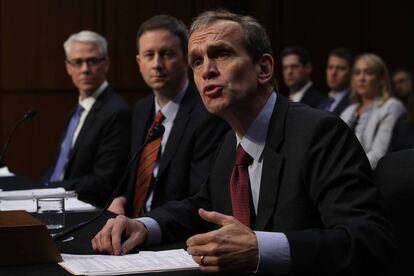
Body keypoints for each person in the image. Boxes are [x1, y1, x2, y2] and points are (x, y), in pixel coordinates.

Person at [92, 10, 395, 275]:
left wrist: (262, 248)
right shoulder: (230, 143)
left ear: (263, 68)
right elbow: (200, 206)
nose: (207, 70)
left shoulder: (319, 133)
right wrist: (144, 226)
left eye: (221, 54)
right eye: (196, 61)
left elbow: (369, 239)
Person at [107, 15, 229, 217]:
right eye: (149, 55)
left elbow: (199, 200)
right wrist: (121, 199)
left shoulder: (208, 114)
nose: (157, 64)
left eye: (166, 54)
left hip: (173, 234)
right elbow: (132, 177)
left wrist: (146, 224)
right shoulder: (140, 109)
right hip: (131, 223)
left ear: (186, 59)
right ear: (139, 62)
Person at [44, 30, 131, 207]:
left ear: (106, 64)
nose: (85, 69)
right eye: (77, 62)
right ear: (68, 67)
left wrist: (48, 188)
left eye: (92, 61)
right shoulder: (76, 112)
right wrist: (36, 188)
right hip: (57, 203)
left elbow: (104, 181)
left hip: (87, 209)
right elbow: (61, 168)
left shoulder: (117, 111)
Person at [340, 53, 405, 168]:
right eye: (357, 73)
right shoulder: (349, 110)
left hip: (369, 177)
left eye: (368, 73)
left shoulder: (391, 106)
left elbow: (378, 155)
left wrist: (345, 172)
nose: (361, 78)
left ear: (381, 79)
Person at [318, 47, 353, 115]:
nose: (333, 73)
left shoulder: (354, 102)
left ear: (351, 72)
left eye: (341, 68)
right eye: (330, 67)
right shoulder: (321, 102)